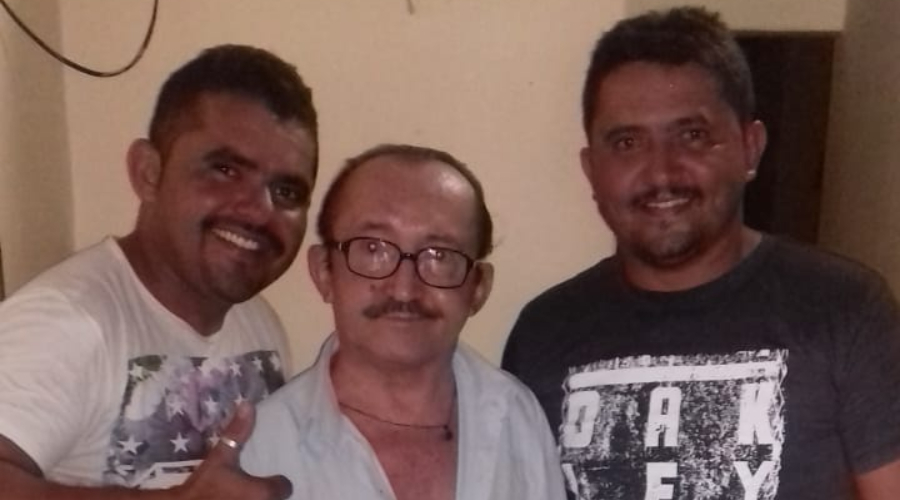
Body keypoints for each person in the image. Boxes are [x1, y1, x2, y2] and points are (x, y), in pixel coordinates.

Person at [502, 7, 900, 500]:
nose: (661, 173)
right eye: (626, 142)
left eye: (692, 136)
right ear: (592, 170)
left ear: (750, 148)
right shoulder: (542, 333)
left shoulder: (846, 310)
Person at [0, 44, 317, 499]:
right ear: (148, 173)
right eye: (225, 169)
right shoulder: (66, 322)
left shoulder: (258, 324)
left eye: (286, 191)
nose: (257, 211)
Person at [241, 144, 566, 500]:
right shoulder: (261, 450)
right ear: (324, 272)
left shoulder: (517, 420)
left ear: (478, 288)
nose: (404, 288)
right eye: (374, 249)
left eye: (439, 255)